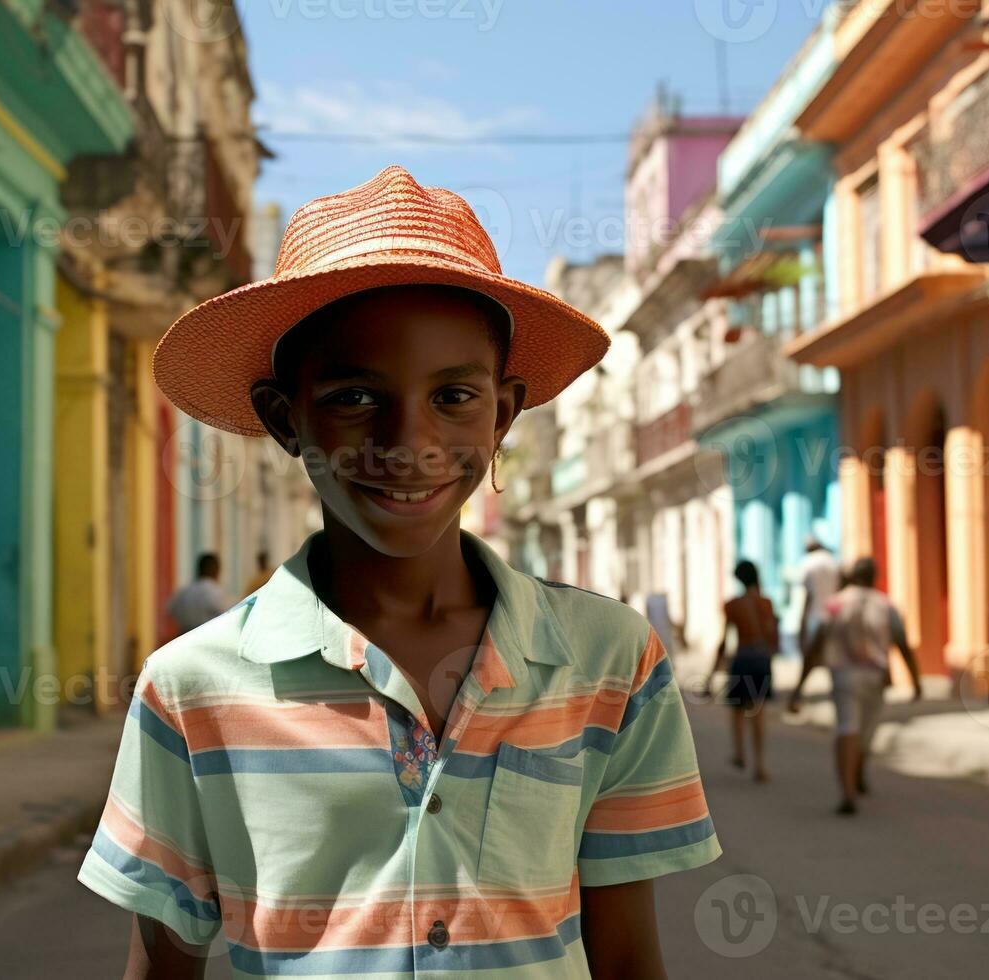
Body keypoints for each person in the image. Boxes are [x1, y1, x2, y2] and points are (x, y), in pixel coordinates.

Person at [77, 165, 721, 977]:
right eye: (352, 397)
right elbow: (163, 968)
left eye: (453, 396)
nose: (408, 440)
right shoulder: (190, 687)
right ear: (285, 418)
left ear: (504, 412)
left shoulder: (610, 661)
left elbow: (626, 954)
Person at [788, 556, 922, 816]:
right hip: (876, 676)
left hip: (844, 676)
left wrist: (799, 687)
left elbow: (816, 645)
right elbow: (903, 644)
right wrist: (915, 681)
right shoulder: (885, 605)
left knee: (847, 729)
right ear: (874, 577)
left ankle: (848, 788)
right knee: (866, 731)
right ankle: (855, 777)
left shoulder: (835, 605)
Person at [703, 560, 779, 783]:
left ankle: (739, 753)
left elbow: (724, 641)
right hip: (761, 658)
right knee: (758, 712)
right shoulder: (766, 603)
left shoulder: (732, 605)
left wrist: (711, 674)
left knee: (737, 709)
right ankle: (760, 765)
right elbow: (772, 635)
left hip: (743, 657)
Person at [164, 553, 231, 635]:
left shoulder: (184, 591)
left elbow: (170, 609)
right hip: (207, 638)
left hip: (184, 639)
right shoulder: (215, 592)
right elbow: (227, 616)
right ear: (216, 570)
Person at [797, 534, 841, 660]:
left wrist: (802, 619)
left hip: (814, 615)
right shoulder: (832, 561)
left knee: (812, 655)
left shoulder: (808, 562)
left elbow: (807, 595)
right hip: (833, 614)